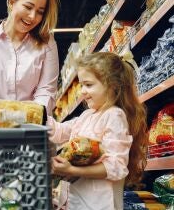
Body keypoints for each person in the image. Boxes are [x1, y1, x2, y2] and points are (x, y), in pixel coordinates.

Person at [48, 52, 147, 210]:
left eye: (88, 85)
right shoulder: (87, 115)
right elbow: (59, 131)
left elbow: (115, 166)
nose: (82, 91)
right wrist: (33, 114)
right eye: (81, 85)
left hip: (99, 204)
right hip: (77, 201)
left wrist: (71, 170)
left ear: (112, 85)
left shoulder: (114, 116)